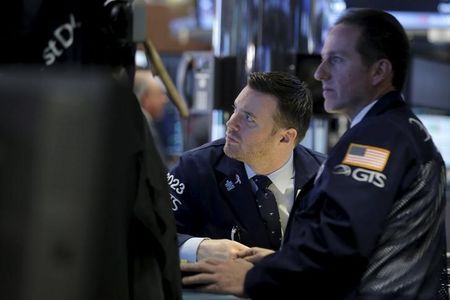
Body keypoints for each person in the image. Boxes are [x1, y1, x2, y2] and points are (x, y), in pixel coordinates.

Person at [180, 8, 449, 300]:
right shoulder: (400, 129)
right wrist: (277, 263)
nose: (320, 73)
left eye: (336, 60)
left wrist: (253, 277)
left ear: (379, 71)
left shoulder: (376, 140)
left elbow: (340, 246)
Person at [168, 71, 326, 262]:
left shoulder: (326, 177)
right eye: (235, 110)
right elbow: (149, 231)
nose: (230, 123)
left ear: (285, 137)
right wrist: (199, 247)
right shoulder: (195, 168)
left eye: (249, 118)